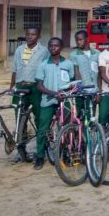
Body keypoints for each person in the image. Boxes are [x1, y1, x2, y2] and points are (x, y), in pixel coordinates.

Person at [9, 25, 50, 162]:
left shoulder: (44, 51)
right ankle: (21, 151)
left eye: (33, 34)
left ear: (38, 36)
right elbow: (15, 70)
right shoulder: (19, 50)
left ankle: (42, 149)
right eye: (28, 34)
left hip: (36, 87)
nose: (30, 37)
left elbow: (47, 70)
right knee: (20, 119)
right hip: (20, 86)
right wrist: (12, 87)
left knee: (39, 118)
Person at [34, 37, 75, 170]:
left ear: (61, 47)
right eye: (51, 46)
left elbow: (73, 82)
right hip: (48, 100)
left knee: (69, 126)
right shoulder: (43, 65)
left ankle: (67, 154)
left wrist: (66, 92)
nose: (53, 48)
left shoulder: (68, 64)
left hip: (65, 100)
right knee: (42, 127)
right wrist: (52, 93)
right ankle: (39, 156)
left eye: (56, 46)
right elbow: (39, 85)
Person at [70, 30, 100, 116]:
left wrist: (98, 92)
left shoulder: (97, 53)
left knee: (91, 114)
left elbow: (99, 74)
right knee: (81, 115)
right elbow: (76, 73)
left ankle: (90, 129)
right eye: (77, 40)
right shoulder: (74, 54)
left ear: (87, 39)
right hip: (82, 90)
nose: (78, 42)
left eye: (80, 39)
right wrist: (81, 88)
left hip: (94, 90)